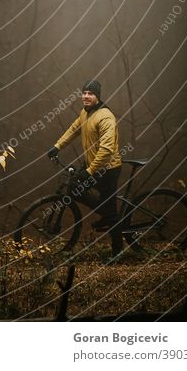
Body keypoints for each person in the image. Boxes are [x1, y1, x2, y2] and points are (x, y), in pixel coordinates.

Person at [48, 80, 123, 263]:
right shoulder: (85, 113)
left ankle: (117, 252)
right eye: (84, 93)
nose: (86, 96)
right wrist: (57, 146)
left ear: (98, 96)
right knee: (73, 186)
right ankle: (105, 213)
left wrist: (89, 171)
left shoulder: (105, 117)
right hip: (94, 165)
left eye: (91, 93)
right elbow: (74, 129)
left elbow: (106, 150)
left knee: (112, 212)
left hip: (107, 168)